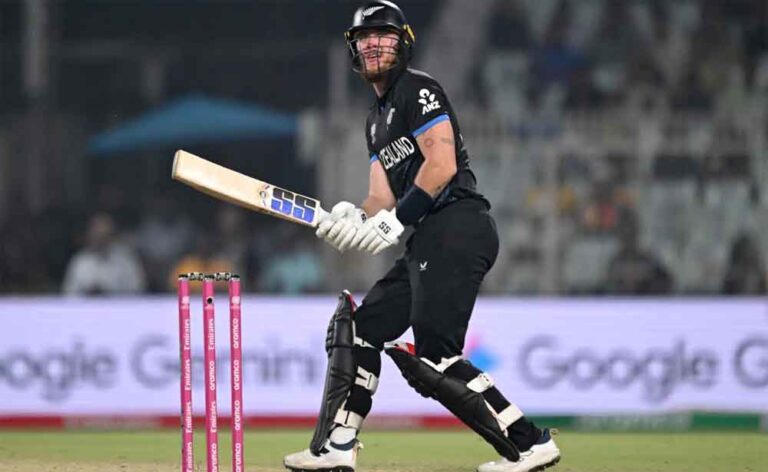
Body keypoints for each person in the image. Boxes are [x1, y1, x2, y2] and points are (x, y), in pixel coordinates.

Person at [283, 2, 560, 472]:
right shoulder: (374, 121)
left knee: (436, 359)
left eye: (383, 35)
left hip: (458, 224)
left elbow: (442, 166)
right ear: (354, 49)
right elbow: (380, 197)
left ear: (403, 43)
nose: (373, 44)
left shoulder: (418, 89)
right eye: (364, 37)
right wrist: (352, 217)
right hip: (429, 237)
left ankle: (529, 443)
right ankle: (338, 446)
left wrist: (395, 221)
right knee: (362, 329)